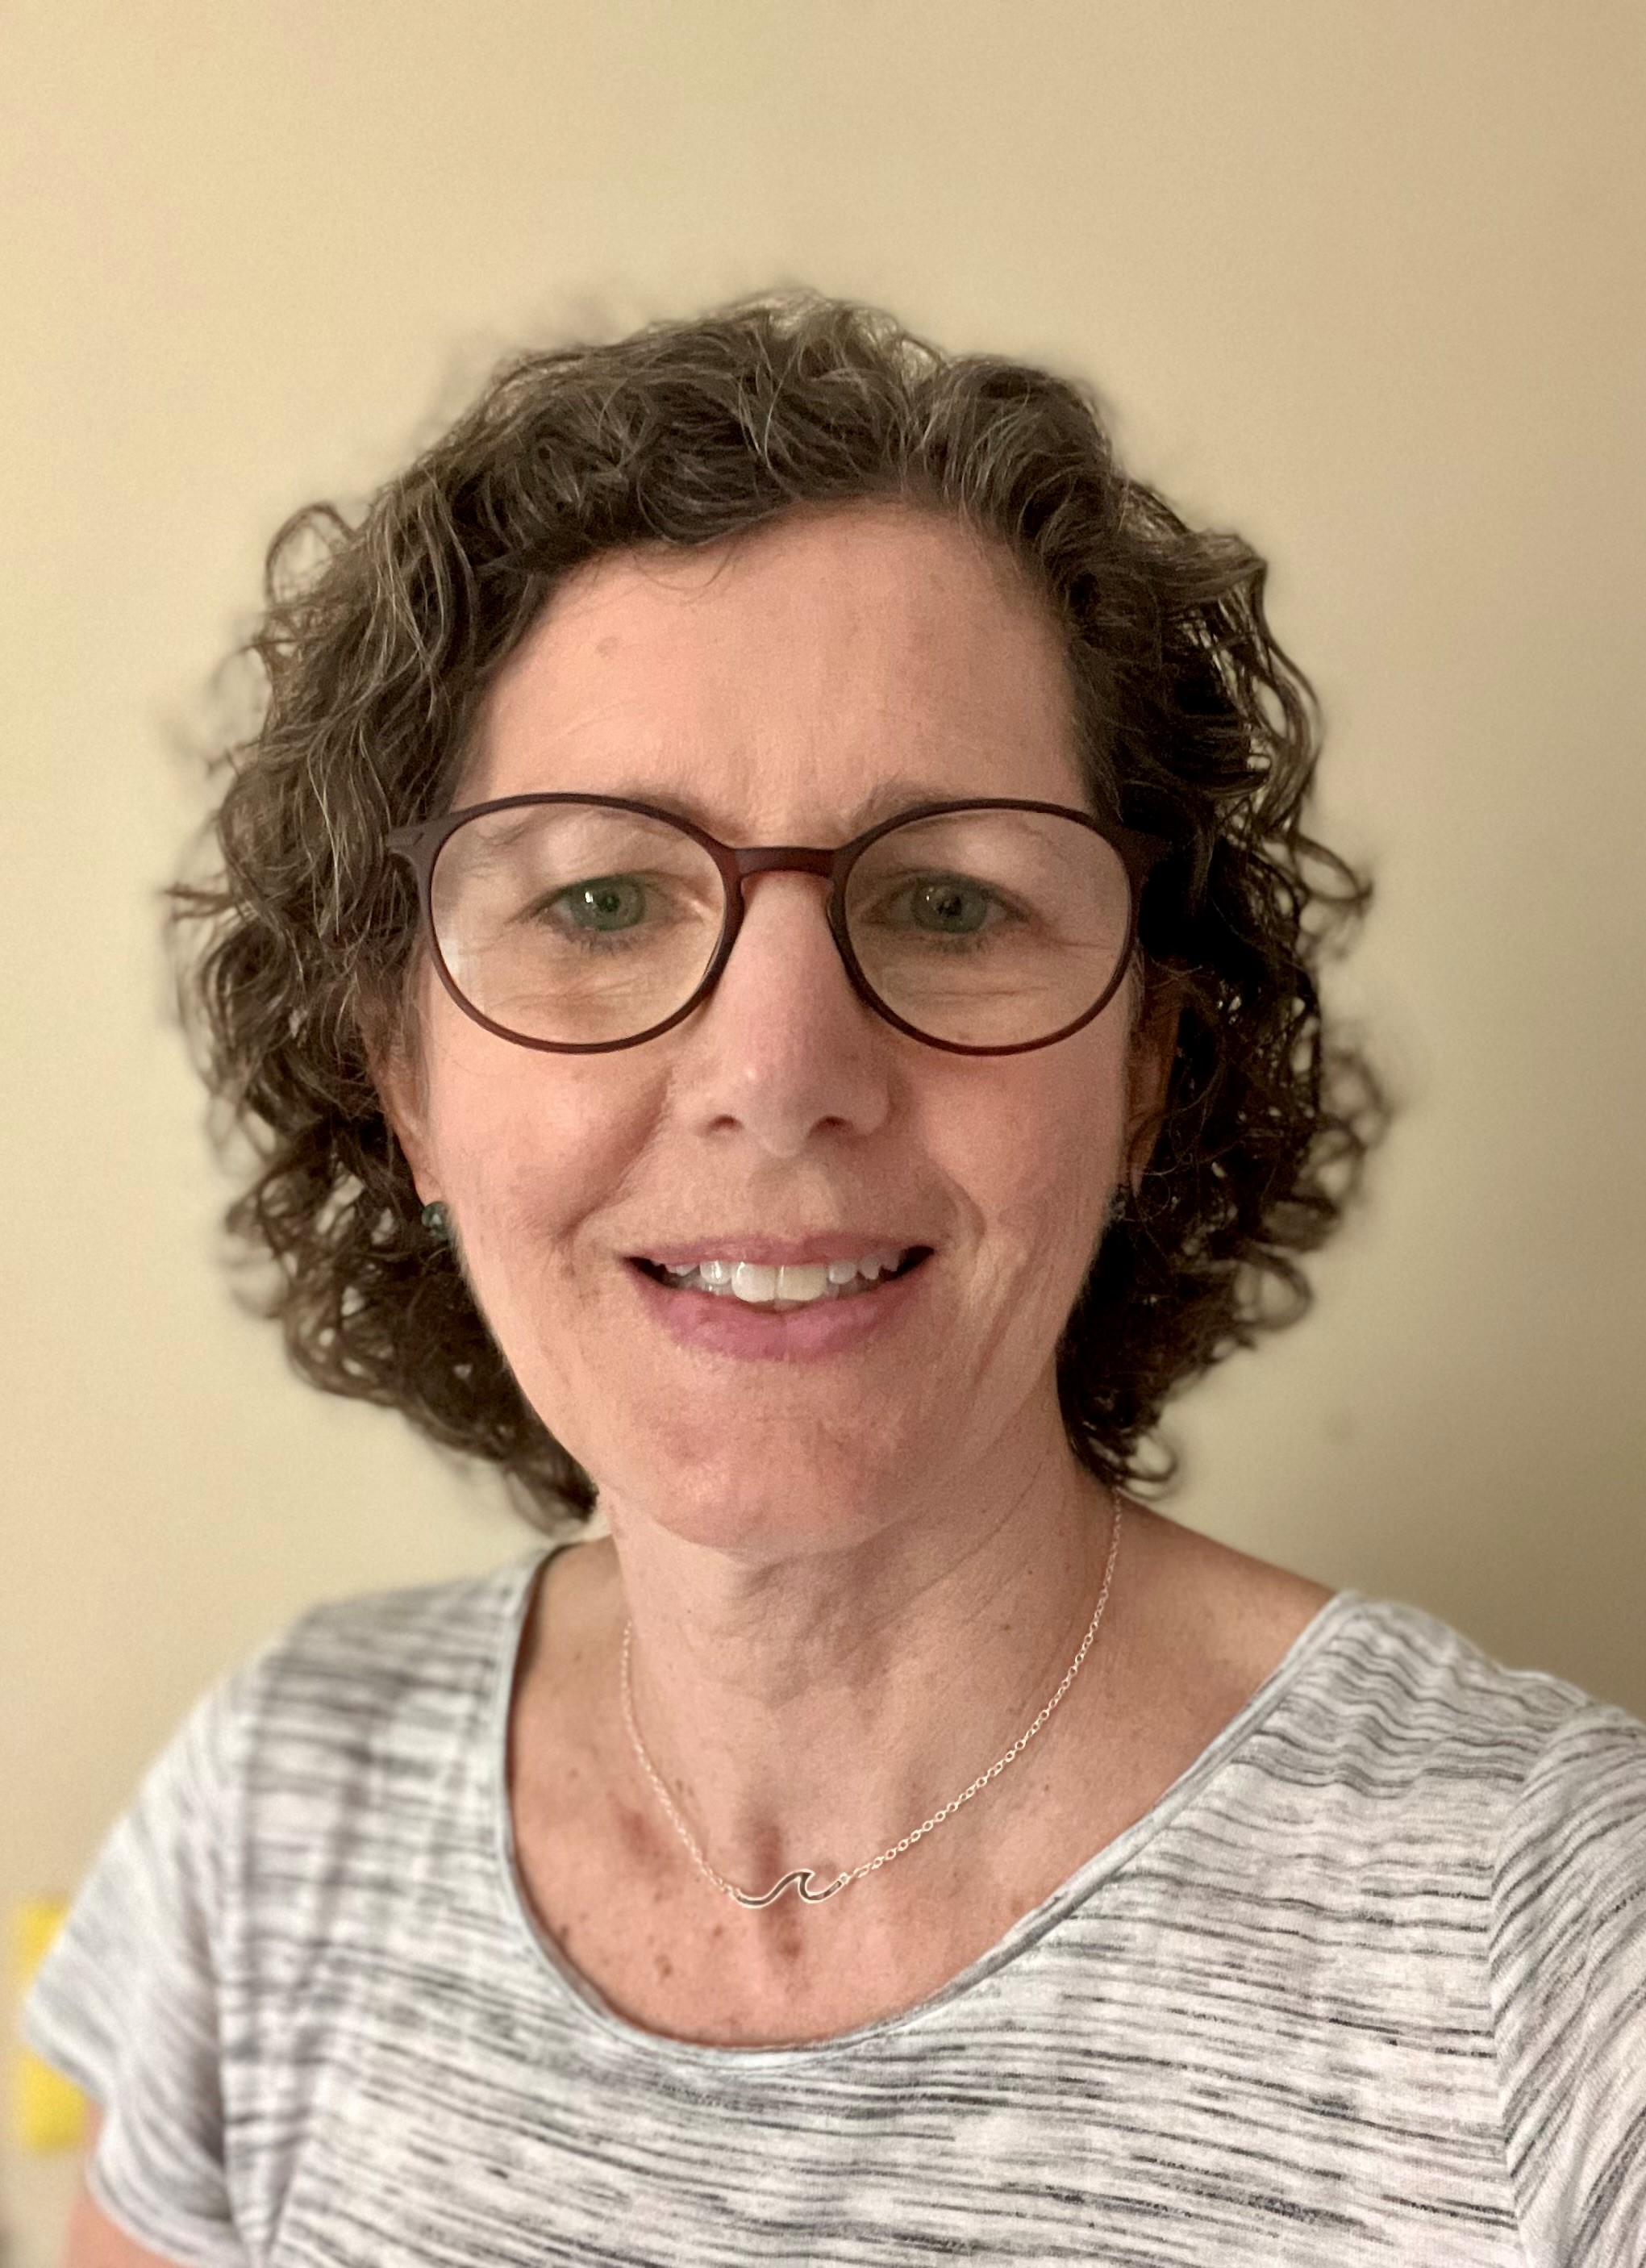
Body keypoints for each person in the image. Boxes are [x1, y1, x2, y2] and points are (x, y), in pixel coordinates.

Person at [27, 294, 1644, 2267]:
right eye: (599, 899)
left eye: (950, 899)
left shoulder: (1561, 1973)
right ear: (409, 1084)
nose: (779, 1072)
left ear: (1145, 1071)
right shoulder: (274, 1820)